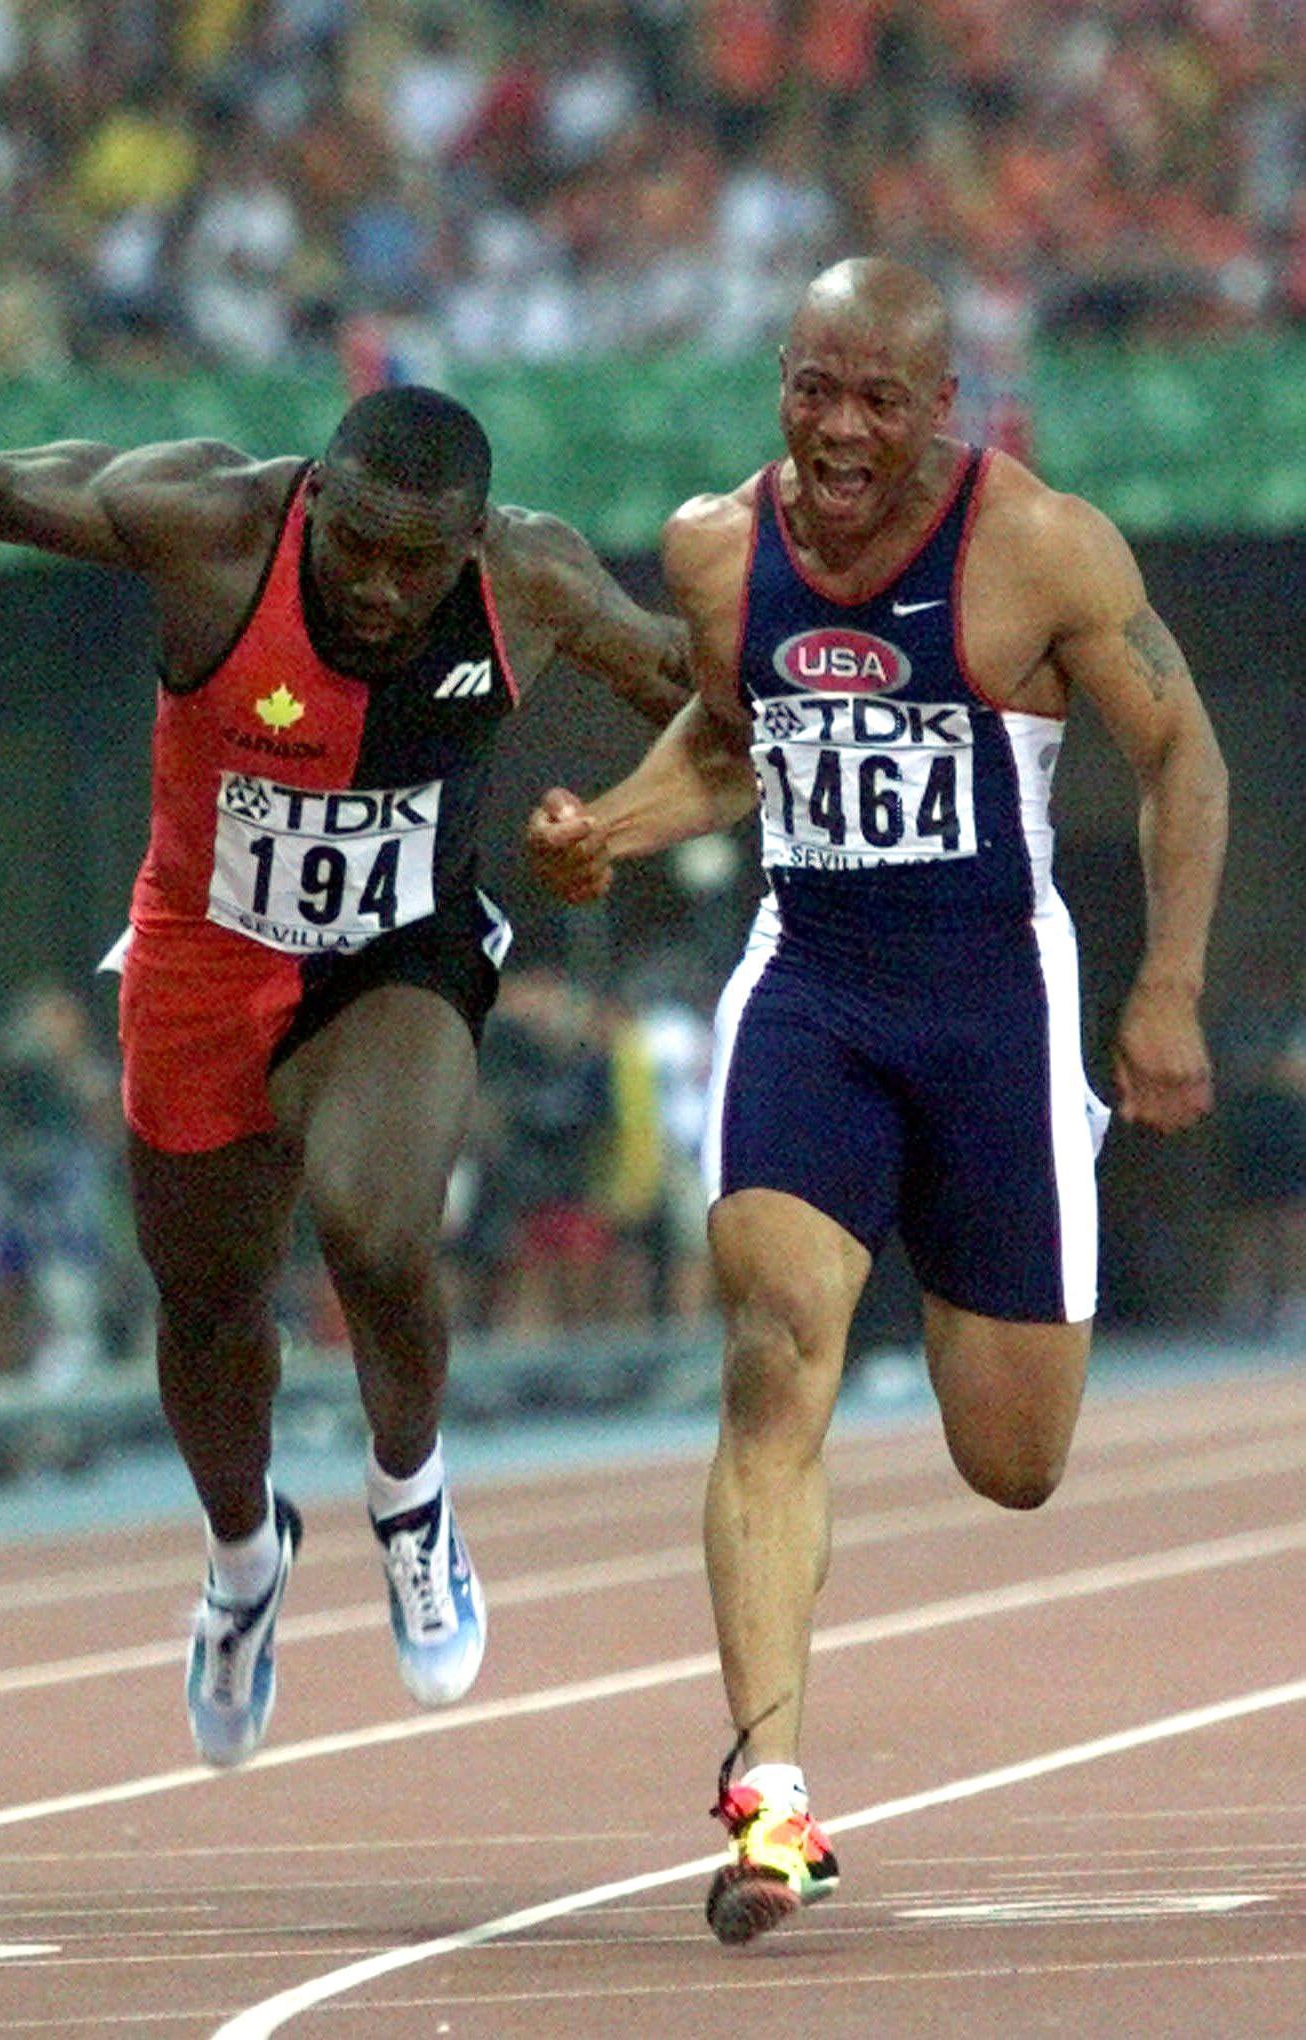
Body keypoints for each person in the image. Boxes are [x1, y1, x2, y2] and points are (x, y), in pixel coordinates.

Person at [0, 384, 691, 1765]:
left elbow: (695, 685)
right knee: (206, 1307)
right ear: (312, 497)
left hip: (396, 955)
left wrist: (625, 815)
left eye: (415, 561)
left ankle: (411, 1499)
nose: (377, 585)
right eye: (355, 542)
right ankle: (244, 1561)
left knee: (376, 1233)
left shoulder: (533, 579)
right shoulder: (213, 527)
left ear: (471, 542)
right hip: (202, 955)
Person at [526, 258, 1228, 1943]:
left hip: (994, 1005)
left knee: (1016, 1459)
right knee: (772, 1345)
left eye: (879, 400)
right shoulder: (717, 549)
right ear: (782, 380)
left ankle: (972, 1238)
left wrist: (1168, 987)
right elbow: (731, 744)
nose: (840, 430)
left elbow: (1180, 753)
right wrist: (600, 833)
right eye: (813, 388)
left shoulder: (1041, 547)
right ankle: (771, 1798)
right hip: (815, 989)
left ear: (943, 411)